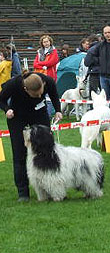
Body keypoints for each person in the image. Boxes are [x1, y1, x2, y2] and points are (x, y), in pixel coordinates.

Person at [0, 72, 62, 202]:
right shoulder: (14, 84)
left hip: (39, 114)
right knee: (19, 153)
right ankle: (23, 192)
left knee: (47, 150)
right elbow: (1, 99)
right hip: (17, 116)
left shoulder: (48, 81)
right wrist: (7, 109)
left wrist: (58, 110)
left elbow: (54, 96)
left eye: (41, 93)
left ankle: (51, 187)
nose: (40, 96)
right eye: (36, 94)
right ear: (25, 89)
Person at [84, 34, 101, 98]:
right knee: (104, 93)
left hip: (94, 73)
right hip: (104, 72)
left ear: (91, 41)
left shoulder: (91, 50)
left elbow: (87, 63)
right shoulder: (104, 48)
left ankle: (92, 107)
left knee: (93, 92)